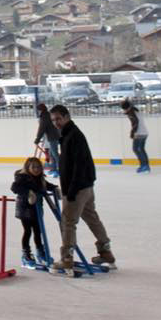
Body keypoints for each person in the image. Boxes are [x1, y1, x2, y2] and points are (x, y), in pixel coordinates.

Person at [49, 105, 114, 270]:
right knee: (92, 219)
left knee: (68, 222)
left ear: (66, 117)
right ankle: (105, 251)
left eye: (58, 118)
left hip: (77, 188)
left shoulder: (73, 136)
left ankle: (67, 258)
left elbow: (80, 164)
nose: (56, 122)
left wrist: (71, 190)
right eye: (53, 120)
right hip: (85, 186)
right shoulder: (69, 134)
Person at [10, 156, 58, 265]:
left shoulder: (40, 178)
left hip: (37, 209)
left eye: (39, 167)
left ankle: (40, 252)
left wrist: (55, 188)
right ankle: (26, 254)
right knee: (28, 231)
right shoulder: (22, 177)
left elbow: (46, 185)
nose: (36, 169)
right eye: (34, 167)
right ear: (28, 167)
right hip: (25, 209)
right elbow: (15, 188)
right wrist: (29, 193)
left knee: (38, 231)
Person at [121, 99, 150, 173]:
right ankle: (146, 166)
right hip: (144, 132)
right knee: (141, 149)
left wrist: (132, 133)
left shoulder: (131, 113)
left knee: (136, 149)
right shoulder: (135, 110)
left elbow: (135, 123)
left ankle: (144, 166)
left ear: (126, 108)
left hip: (138, 133)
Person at [34, 102, 60, 176]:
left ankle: (60, 169)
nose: (37, 112)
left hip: (54, 136)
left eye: (38, 110)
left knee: (54, 154)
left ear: (40, 110)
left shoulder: (44, 116)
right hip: (54, 135)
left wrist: (37, 139)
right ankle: (54, 169)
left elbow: (42, 128)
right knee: (51, 154)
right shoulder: (47, 114)